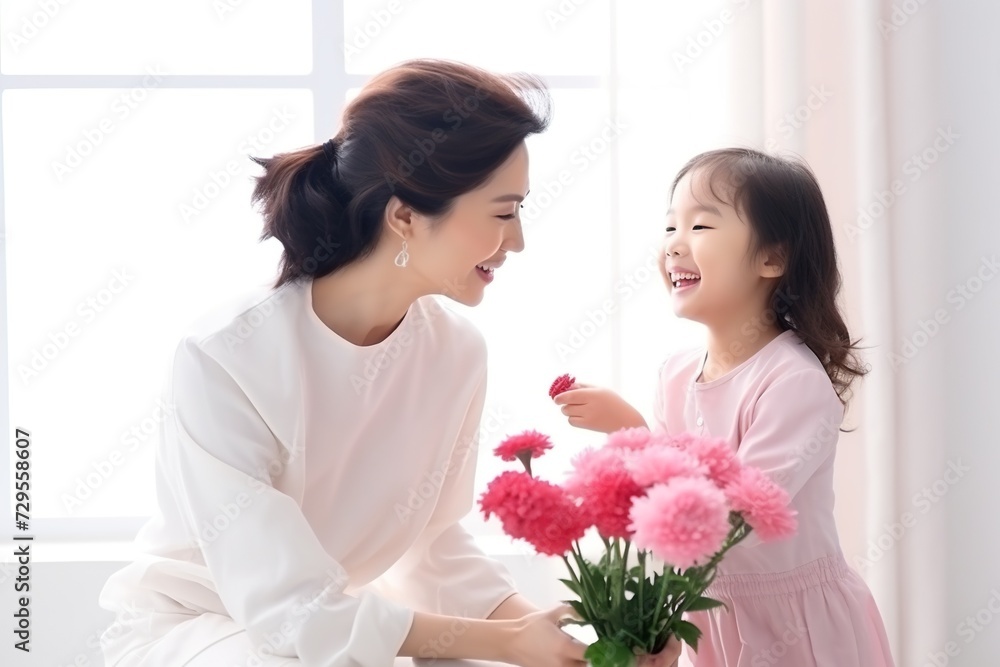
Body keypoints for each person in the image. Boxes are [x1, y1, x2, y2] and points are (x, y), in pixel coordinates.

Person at [96, 58, 644, 667]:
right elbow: (289, 613)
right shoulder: (225, 356)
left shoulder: (456, 352)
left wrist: (570, 646)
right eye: (502, 212)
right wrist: (508, 644)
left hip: (333, 627)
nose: (516, 242)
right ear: (405, 215)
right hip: (203, 632)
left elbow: (430, 549)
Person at [553, 148, 895, 666]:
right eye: (670, 227)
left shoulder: (793, 381)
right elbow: (662, 514)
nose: (674, 245)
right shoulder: (674, 372)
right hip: (716, 621)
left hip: (799, 630)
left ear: (772, 258)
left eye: (701, 227)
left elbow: (733, 525)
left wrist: (631, 430)